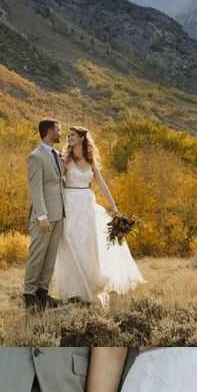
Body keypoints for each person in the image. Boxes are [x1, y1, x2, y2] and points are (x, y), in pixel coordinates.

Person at [54, 125, 144, 305]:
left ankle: (89, 286)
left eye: (73, 135)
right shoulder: (65, 160)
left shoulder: (90, 161)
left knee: (88, 245)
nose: (69, 138)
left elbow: (102, 184)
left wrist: (114, 208)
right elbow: (57, 182)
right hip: (70, 204)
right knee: (71, 244)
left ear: (81, 138)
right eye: (68, 135)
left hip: (87, 205)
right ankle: (73, 290)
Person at [23, 118, 65, 310]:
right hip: (44, 217)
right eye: (58, 130)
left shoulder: (58, 154)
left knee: (50, 256)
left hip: (59, 214)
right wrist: (42, 216)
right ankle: (29, 294)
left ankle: (42, 293)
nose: (60, 133)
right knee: (37, 255)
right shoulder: (36, 156)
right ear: (50, 131)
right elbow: (36, 189)